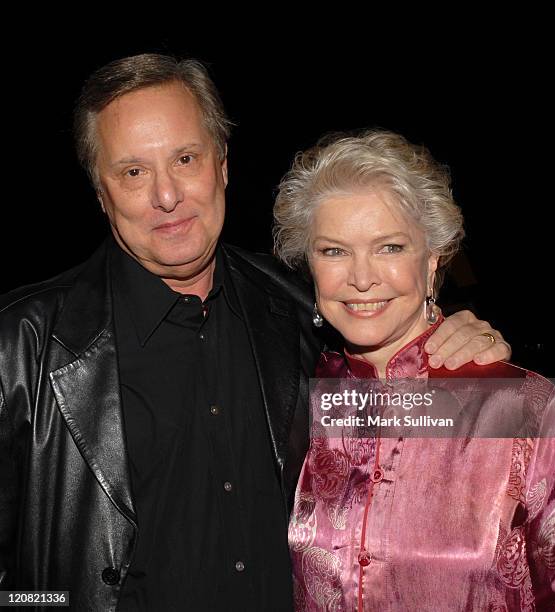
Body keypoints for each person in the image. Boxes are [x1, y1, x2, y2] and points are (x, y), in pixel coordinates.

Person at [0, 55, 511, 611]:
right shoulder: (21, 346)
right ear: (101, 194)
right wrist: (52, 602)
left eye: (185, 159)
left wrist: (459, 349)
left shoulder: (297, 306)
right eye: (133, 172)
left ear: (221, 165)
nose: (166, 195)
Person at [273, 130, 555, 611]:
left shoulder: (526, 411)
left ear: (431, 261)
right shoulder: (301, 397)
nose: (362, 278)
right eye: (334, 251)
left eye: (389, 247)